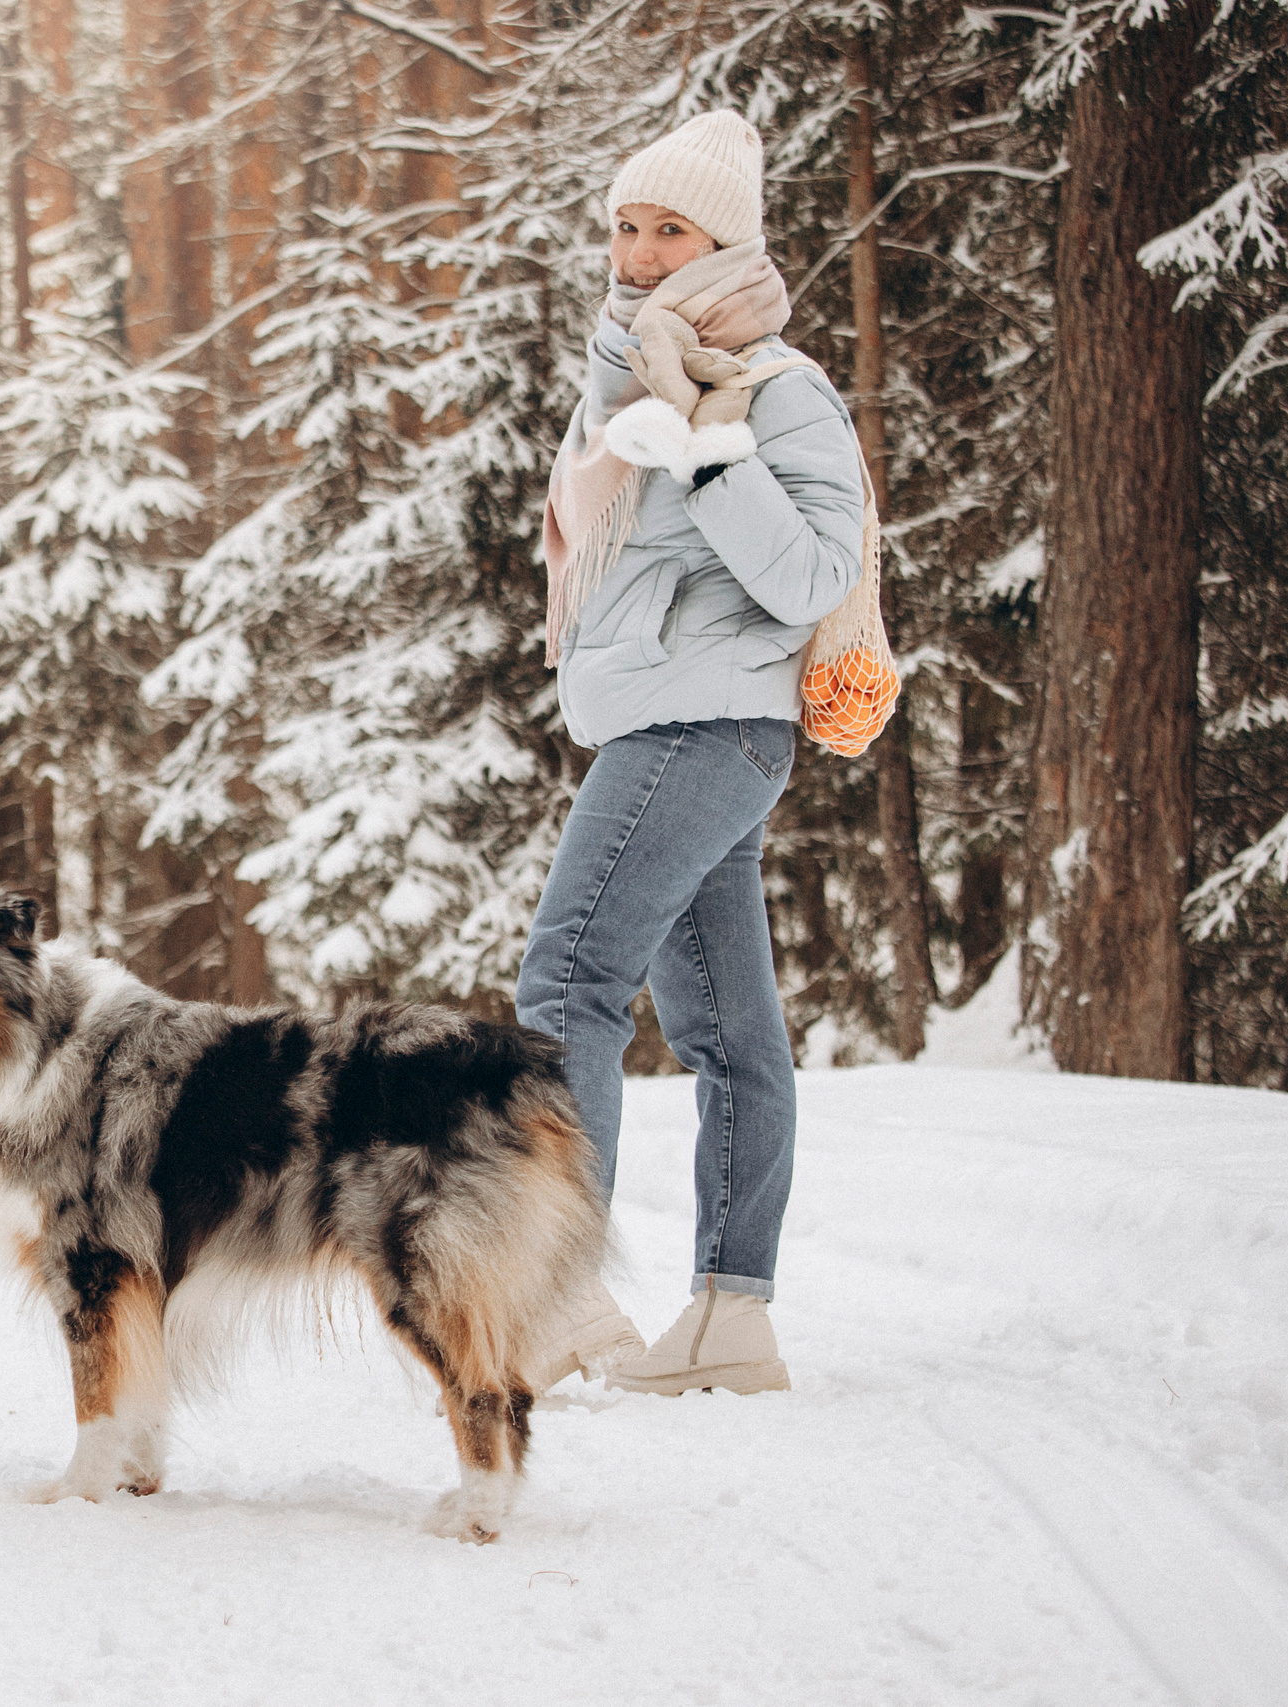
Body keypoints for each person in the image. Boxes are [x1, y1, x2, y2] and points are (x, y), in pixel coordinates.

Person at [513, 111, 864, 1397]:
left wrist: (711, 457)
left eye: (673, 229)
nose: (643, 251)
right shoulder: (625, 374)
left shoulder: (775, 387)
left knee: (565, 985)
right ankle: (730, 1317)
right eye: (627, 224)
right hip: (674, 715)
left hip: (705, 719)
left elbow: (818, 571)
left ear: (728, 243)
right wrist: (652, 426)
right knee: (726, 1031)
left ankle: (553, 1298)